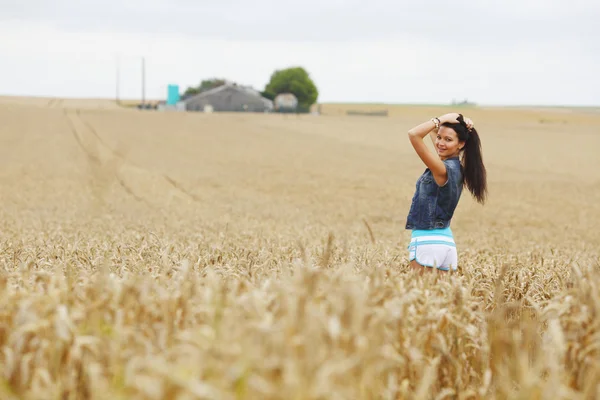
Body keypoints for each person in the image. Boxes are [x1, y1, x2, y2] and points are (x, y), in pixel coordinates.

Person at [405, 113, 487, 273]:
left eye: (448, 140)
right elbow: (433, 134)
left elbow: (414, 135)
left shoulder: (442, 169)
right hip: (446, 243)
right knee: (441, 297)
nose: (440, 143)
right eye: (440, 137)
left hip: (427, 242)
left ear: (461, 144)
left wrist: (444, 118)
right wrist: (457, 122)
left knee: (421, 296)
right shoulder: (457, 168)